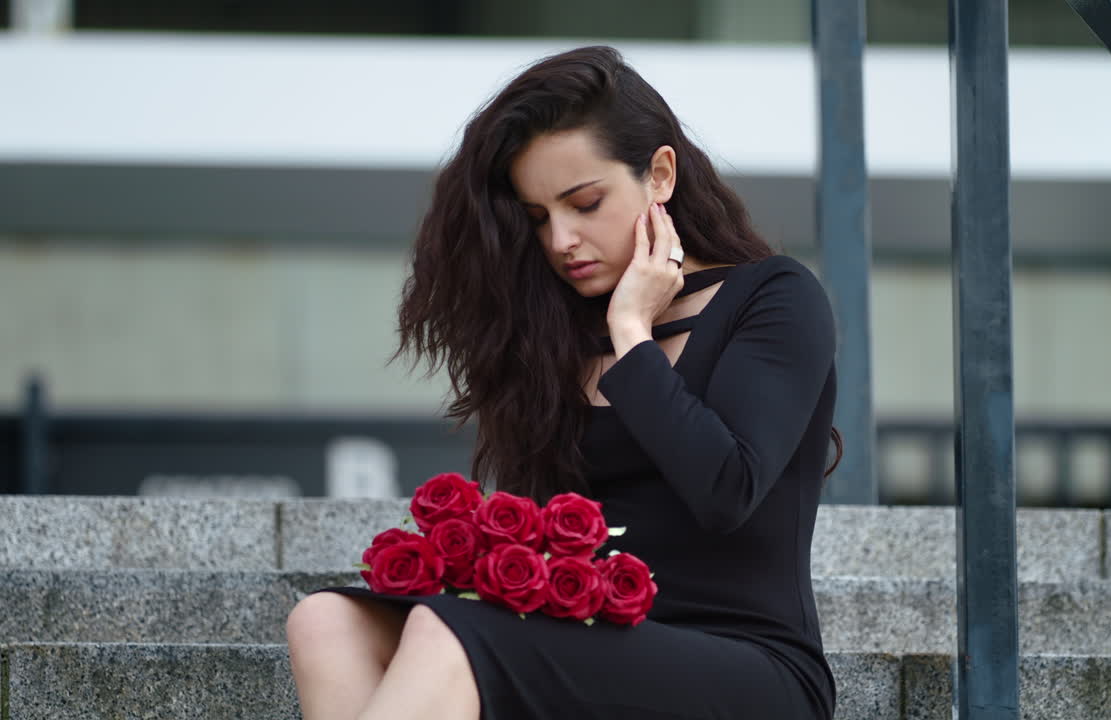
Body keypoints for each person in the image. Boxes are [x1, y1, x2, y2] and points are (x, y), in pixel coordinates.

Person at [286, 44, 842, 720]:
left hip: (747, 665)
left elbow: (727, 490)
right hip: (588, 645)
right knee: (325, 622)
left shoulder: (772, 298)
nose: (561, 240)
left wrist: (632, 332)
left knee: (447, 634)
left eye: (585, 203)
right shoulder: (558, 336)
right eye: (538, 217)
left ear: (660, 174)